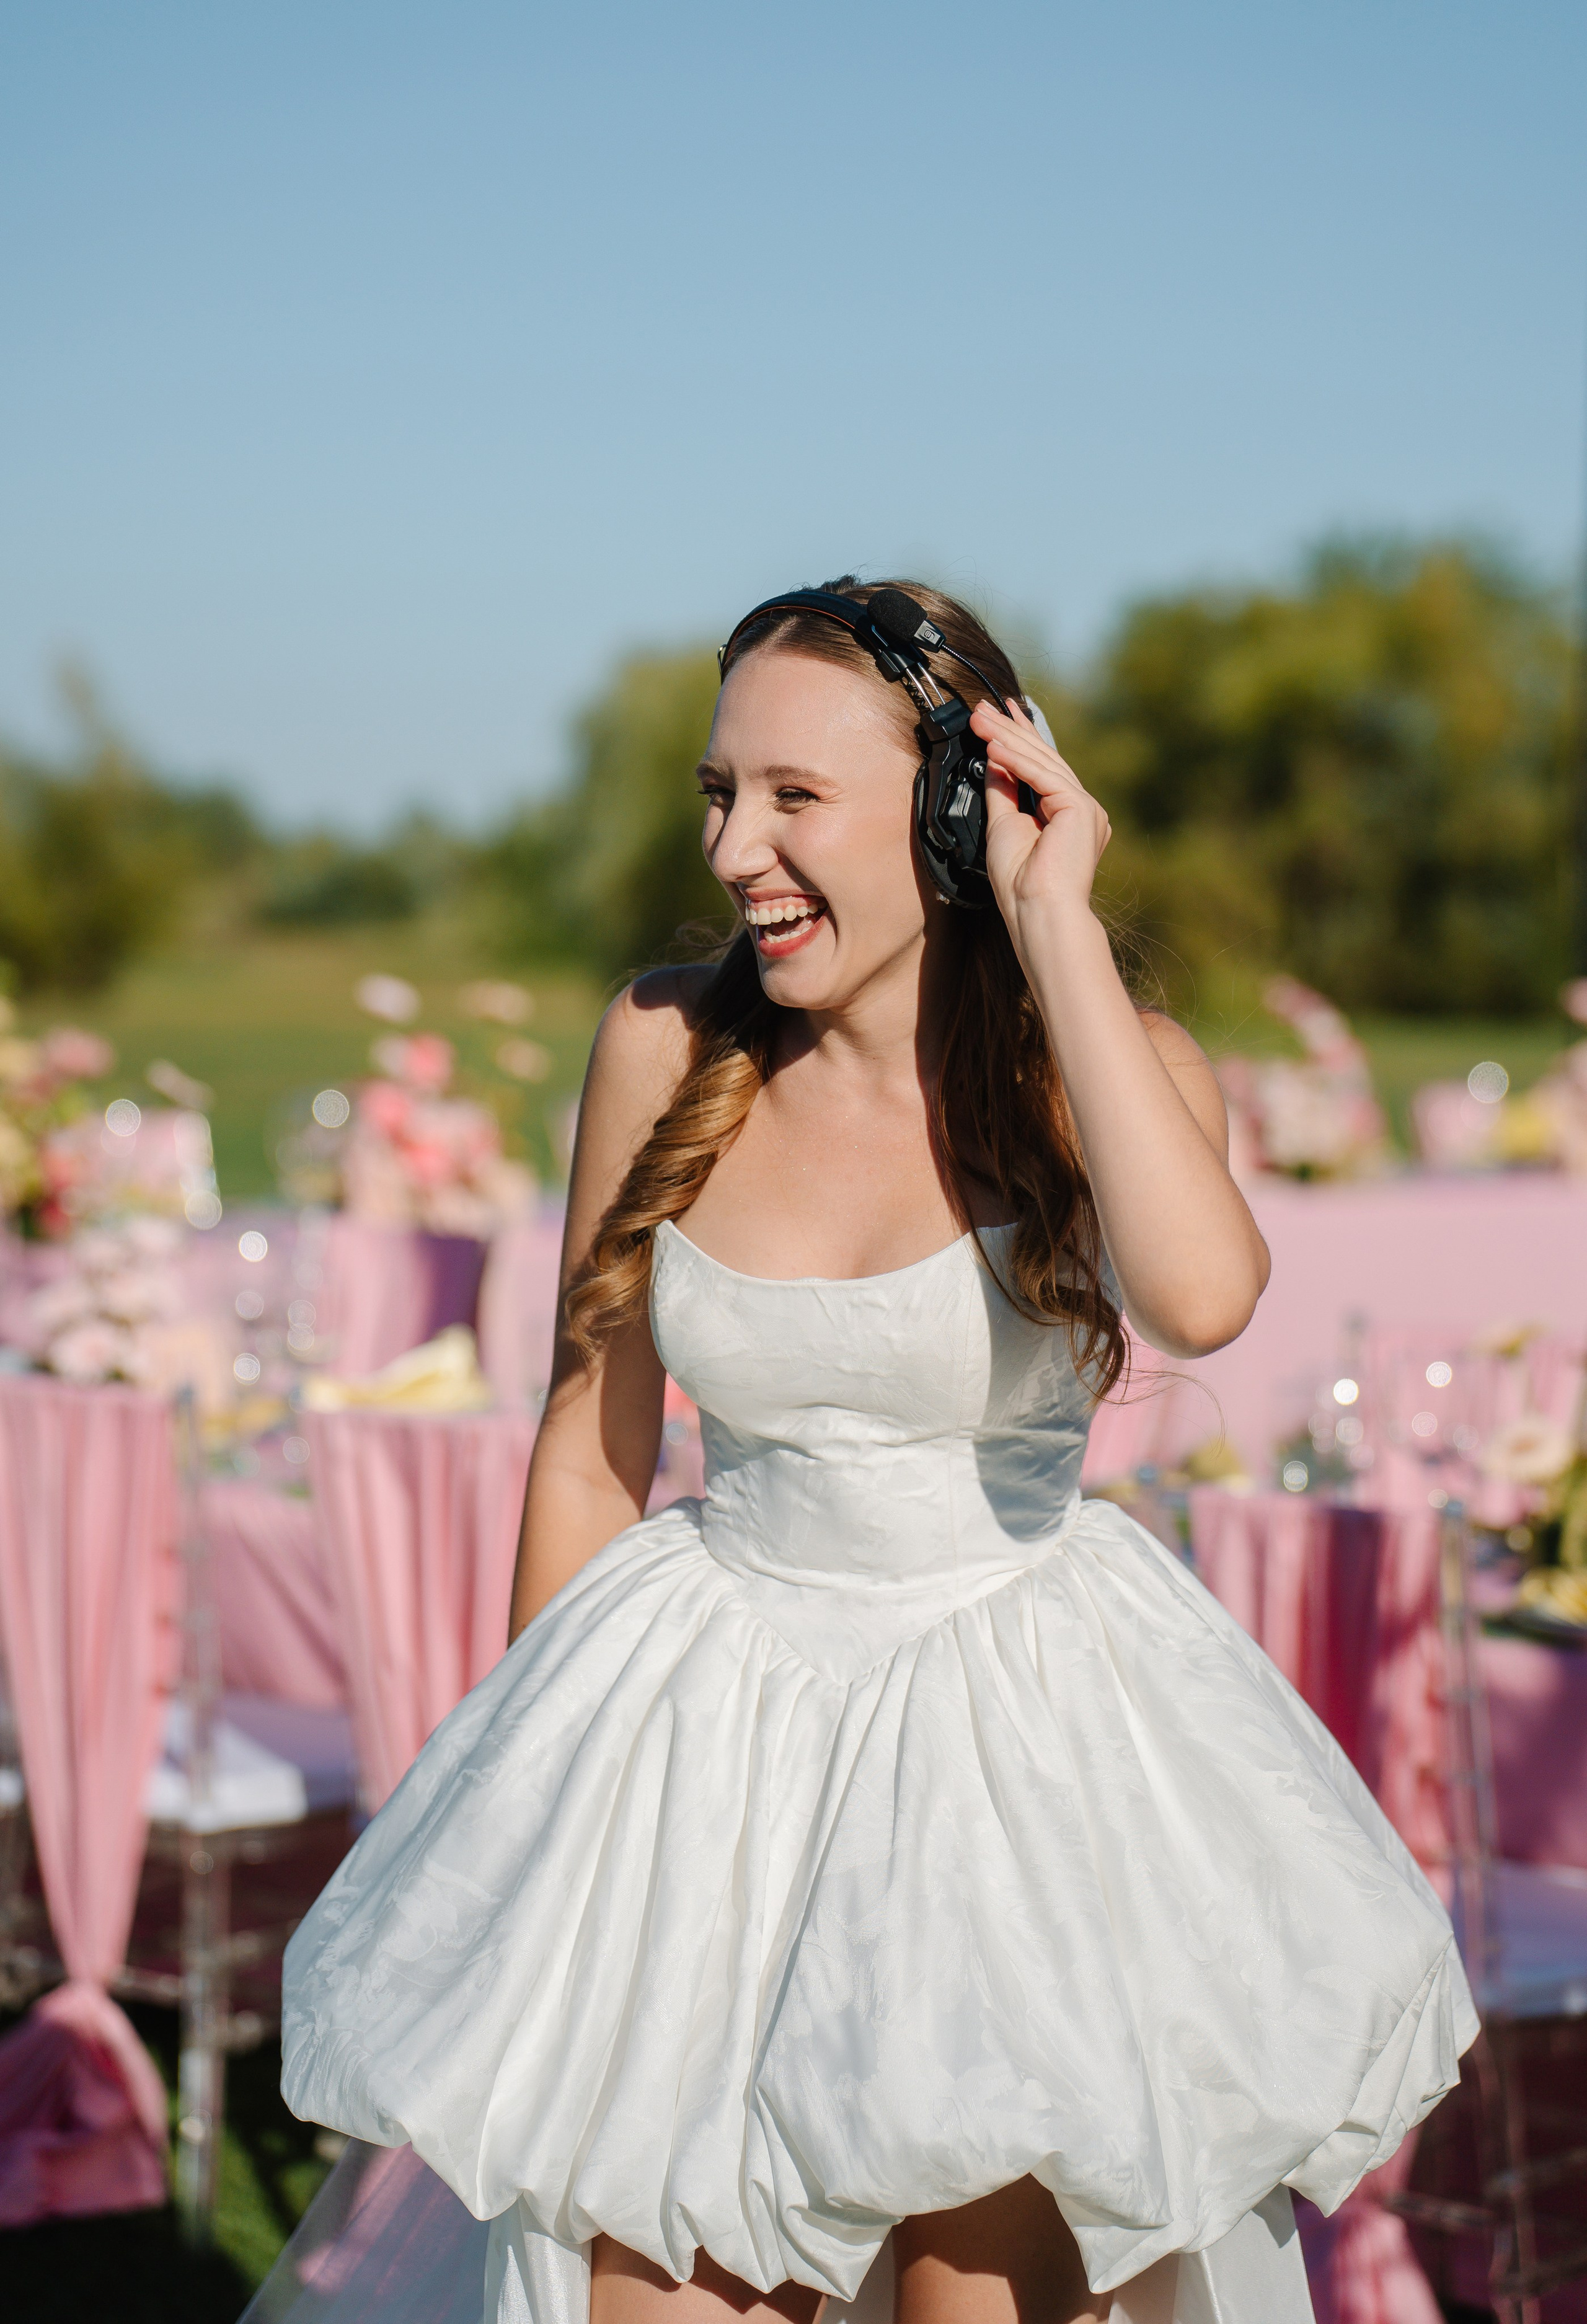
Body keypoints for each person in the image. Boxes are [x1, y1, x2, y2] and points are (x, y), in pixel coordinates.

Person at [280, 580, 1475, 2324]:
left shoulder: (1099, 1074)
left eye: (793, 796)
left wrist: (1052, 916)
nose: (736, 847)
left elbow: (1205, 1295)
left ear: (948, 810)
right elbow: (586, 1449)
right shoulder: (661, 1044)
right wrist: (544, 1854)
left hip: (1008, 1774)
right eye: (718, 793)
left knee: (965, 2281)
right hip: (710, 1749)